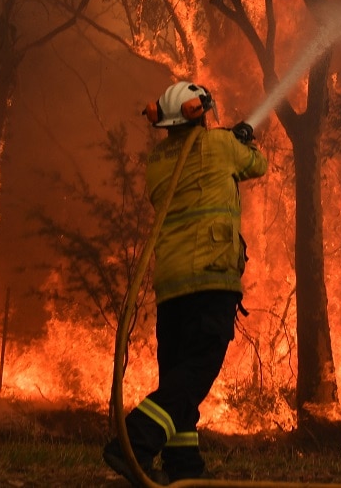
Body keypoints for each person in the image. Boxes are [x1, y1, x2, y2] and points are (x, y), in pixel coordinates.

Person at [103, 81, 267, 486]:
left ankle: (184, 464)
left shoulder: (157, 162)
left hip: (171, 285)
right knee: (196, 372)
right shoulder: (220, 146)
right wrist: (242, 138)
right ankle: (135, 441)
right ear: (200, 113)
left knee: (178, 372)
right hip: (211, 278)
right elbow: (256, 166)